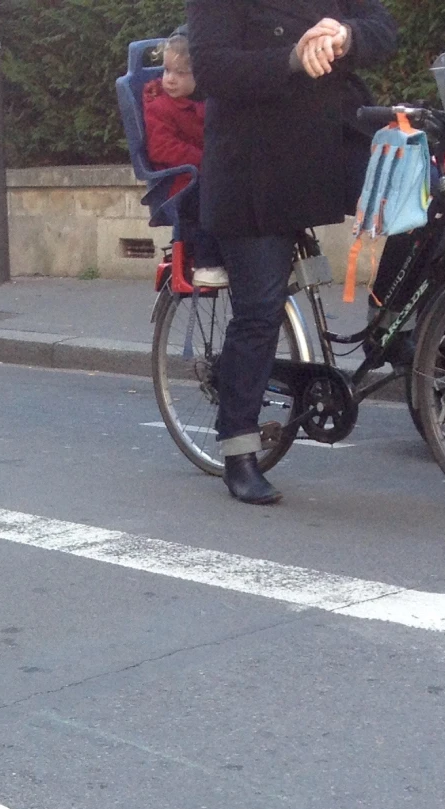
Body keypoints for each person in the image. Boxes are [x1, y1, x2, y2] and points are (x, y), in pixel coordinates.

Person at [188, 1, 396, 506]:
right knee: (260, 309)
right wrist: (291, 58)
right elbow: (211, 67)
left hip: (333, 140)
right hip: (255, 162)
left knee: (417, 195)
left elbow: (384, 32)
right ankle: (239, 448)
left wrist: (345, 35)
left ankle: (397, 330)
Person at [143, 34, 229, 290]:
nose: (170, 78)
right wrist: (207, 161)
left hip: (204, 173)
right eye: (167, 70)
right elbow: (161, 148)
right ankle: (206, 262)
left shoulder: (207, 103)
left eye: (180, 73)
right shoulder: (159, 106)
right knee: (207, 195)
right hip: (179, 182)